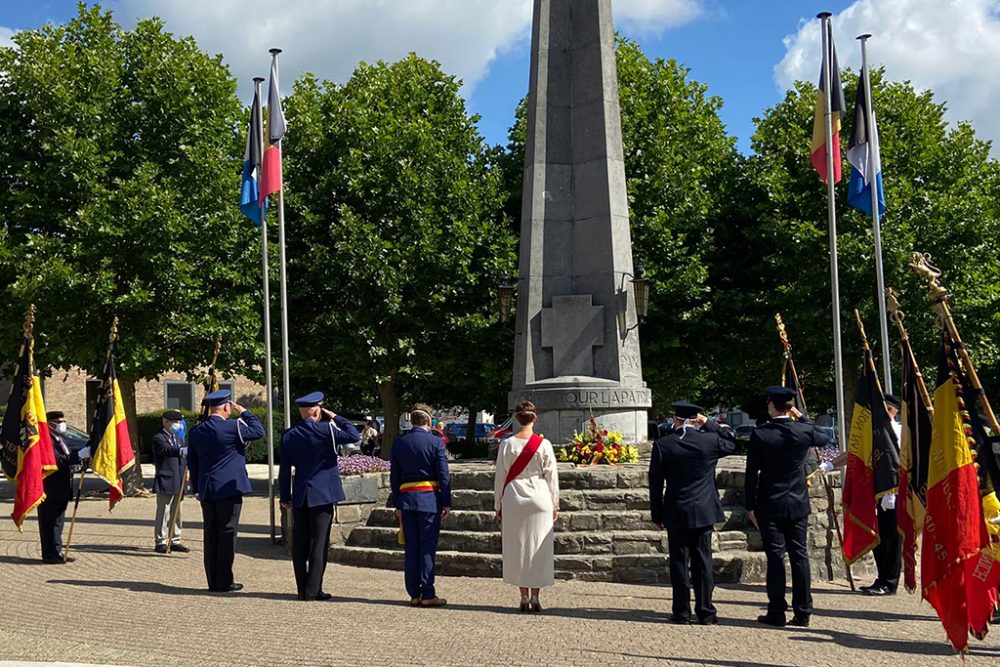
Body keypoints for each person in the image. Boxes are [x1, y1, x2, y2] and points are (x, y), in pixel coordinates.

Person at [649, 401, 737, 625]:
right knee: (703, 560)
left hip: (677, 509)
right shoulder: (710, 441)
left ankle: (681, 611)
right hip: (704, 509)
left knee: (679, 562)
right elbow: (732, 441)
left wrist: (656, 514)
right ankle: (706, 611)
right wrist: (710, 424)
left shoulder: (664, 444)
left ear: (675, 419)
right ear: (696, 419)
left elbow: (656, 483)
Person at [745, 386, 825, 628]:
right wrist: (802, 417)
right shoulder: (803, 431)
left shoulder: (761, 433)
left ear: (771, 406)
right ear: (791, 408)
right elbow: (824, 436)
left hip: (770, 502)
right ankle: (803, 612)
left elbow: (751, 474)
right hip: (797, 501)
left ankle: (777, 611)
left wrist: (750, 505)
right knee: (800, 556)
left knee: (776, 557)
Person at [279, 392, 361, 601]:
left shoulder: (289, 434)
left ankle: (301, 589)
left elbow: (285, 470)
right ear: (317, 410)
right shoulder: (327, 431)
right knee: (319, 543)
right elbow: (353, 435)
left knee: (300, 543)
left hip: (300, 494)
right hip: (323, 495)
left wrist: (285, 495)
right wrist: (335, 416)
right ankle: (313, 590)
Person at [187, 389, 264, 592]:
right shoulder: (233, 426)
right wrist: (246, 412)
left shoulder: (196, 431)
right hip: (228, 487)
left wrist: (196, 487)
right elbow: (258, 431)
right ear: (227, 407)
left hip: (206, 488)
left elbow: (192, 462)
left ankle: (213, 580)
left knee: (210, 533)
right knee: (227, 533)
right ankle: (224, 580)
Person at [493, 400, 559, 613]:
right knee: (539, 547)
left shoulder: (507, 444)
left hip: (514, 496)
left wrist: (497, 505)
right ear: (535, 418)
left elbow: (500, 477)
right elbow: (552, 477)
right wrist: (555, 503)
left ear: (516, 418)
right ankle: (536, 597)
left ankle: (523, 596)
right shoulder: (544, 444)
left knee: (518, 546)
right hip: (539, 496)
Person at [390, 402, 451, 607]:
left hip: (407, 500)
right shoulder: (435, 443)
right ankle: (428, 593)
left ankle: (414, 593)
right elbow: (444, 475)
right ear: (429, 420)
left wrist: (397, 502)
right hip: (428, 500)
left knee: (411, 548)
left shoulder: (399, 443)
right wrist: (446, 501)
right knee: (427, 549)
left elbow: (394, 477)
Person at [37, 411, 88, 563]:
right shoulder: (45, 441)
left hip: (62, 487)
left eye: (63, 421)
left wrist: (80, 458)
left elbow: (66, 458)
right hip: (49, 488)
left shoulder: (61, 438)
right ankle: (49, 554)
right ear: (50, 423)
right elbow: (57, 461)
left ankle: (57, 551)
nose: (62, 424)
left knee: (58, 522)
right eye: (59, 422)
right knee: (49, 522)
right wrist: (78, 455)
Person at [152, 409, 190, 554]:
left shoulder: (178, 438)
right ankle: (160, 541)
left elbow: (182, 457)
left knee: (177, 511)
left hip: (179, 478)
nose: (179, 425)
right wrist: (182, 451)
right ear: (166, 422)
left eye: (179, 422)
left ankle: (175, 539)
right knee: (164, 510)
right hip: (166, 478)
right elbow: (168, 450)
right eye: (176, 422)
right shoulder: (159, 438)